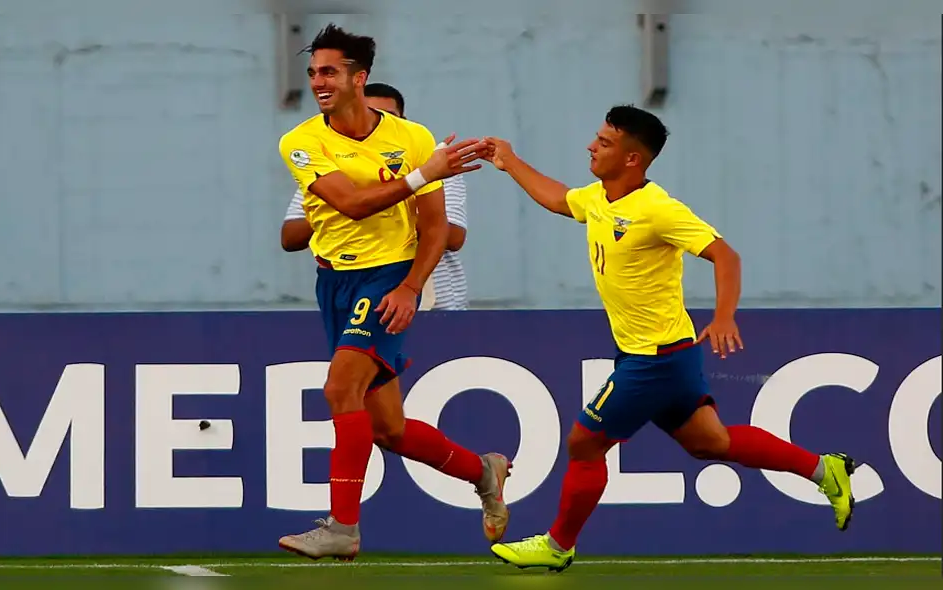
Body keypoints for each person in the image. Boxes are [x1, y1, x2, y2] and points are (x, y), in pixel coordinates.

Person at [483, 105, 855, 572]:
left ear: (633, 159)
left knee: (584, 443)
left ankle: (559, 545)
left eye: (604, 142)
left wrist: (723, 317)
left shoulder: (658, 209)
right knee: (710, 443)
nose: (591, 147)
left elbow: (726, 255)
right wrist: (509, 161)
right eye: (595, 138)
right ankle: (826, 470)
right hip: (665, 354)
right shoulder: (599, 197)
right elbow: (560, 199)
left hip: (654, 359)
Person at [275, 24, 510, 562]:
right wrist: (420, 175)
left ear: (360, 78)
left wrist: (410, 286)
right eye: (313, 73)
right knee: (389, 428)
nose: (318, 82)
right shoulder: (303, 141)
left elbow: (435, 228)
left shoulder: (413, 139)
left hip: (387, 276)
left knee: (340, 390)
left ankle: (342, 527)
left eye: (330, 72)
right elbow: (350, 205)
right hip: (335, 281)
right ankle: (483, 470)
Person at [281, 82, 470, 310]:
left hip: (436, 306)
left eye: (388, 117)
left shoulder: (435, 165)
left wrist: (372, 203)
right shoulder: (324, 171)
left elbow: (453, 236)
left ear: (403, 121)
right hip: (356, 297)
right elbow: (290, 238)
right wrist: (345, 205)